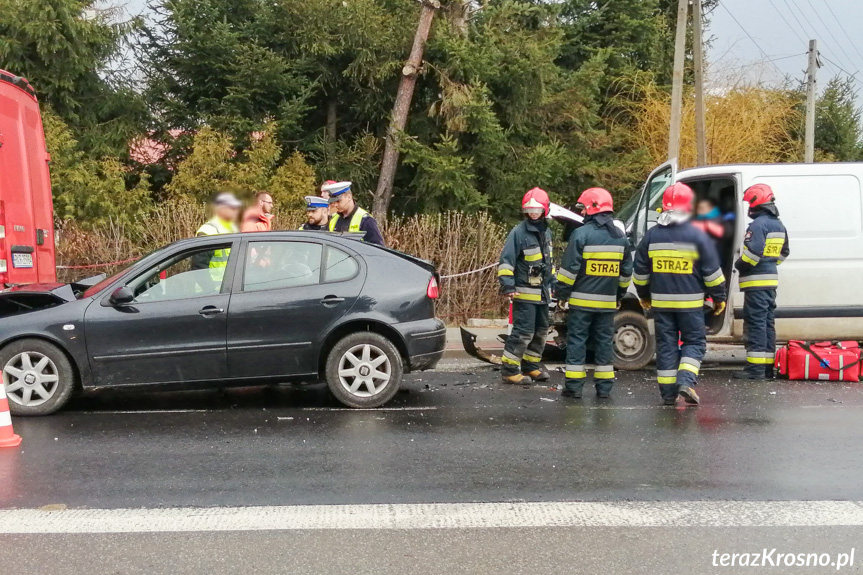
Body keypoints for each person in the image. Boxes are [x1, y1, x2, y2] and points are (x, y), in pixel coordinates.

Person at [634, 183, 727, 406]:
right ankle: (685, 382)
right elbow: (712, 274)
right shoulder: (697, 235)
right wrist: (719, 298)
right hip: (691, 305)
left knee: (666, 345)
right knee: (694, 342)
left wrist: (644, 296)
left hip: (661, 305)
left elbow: (639, 273)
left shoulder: (651, 237)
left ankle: (668, 395)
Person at [555, 188, 632, 399]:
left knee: (577, 342)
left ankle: (574, 388)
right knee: (604, 343)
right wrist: (619, 296)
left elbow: (569, 271)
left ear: (591, 208)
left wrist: (562, 295)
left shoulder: (581, 234)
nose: (581, 213)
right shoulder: (620, 238)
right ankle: (604, 389)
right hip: (607, 304)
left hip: (581, 303)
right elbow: (626, 273)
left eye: (582, 208)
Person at [497, 187, 554, 384]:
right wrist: (508, 287)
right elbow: (506, 262)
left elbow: (549, 263)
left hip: (543, 294)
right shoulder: (518, 233)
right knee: (523, 332)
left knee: (541, 331)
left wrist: (553, 285)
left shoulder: (547, 232)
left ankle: (531, 366)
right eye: (530, 209)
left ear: (544, 210)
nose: (533, 213)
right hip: (524, 294)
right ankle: (510, 370)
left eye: (537, 209)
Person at [733, 183, 790, 380]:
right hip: (770, 282)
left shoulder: (758, 225)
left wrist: (739, 265)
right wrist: (770, 264)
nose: (749, 206)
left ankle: (754, 370)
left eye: (750, 202)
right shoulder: (778, 225)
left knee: (756, 324)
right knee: (767, 324)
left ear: (757, 202)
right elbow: (784, 253)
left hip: (756, 284)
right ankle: (766, 368)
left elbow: (753, 255)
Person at [191, 191, 241, 288]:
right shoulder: (207, 231)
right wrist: (211, 290)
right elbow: (199, 267)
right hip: (210, 293)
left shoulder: (233, 230)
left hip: (228, 292)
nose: (237, 211)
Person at [324, 181, 386, 246]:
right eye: (334, 202)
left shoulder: (365, 220)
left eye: (338, 201)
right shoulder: (333, 219)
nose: (335, 205)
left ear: (349, 197)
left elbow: (378, 248)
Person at [692, 198, 733, 265]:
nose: (699, 211)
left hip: (716, 258)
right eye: (698, 208)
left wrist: (708, 226)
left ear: (711, 208)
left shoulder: (723, 219)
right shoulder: (696, 220)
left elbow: (728, 234)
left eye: (702, 208)